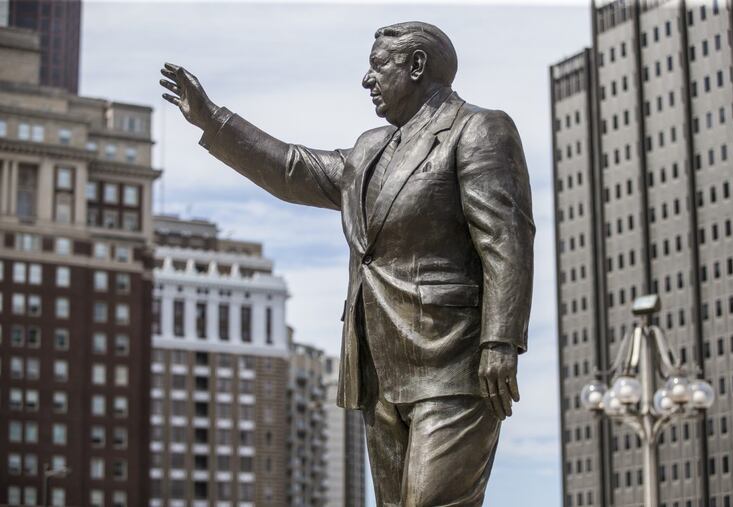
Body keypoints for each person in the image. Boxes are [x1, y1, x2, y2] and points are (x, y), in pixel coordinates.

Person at [160, 21, 534, 506]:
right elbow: (293, 170)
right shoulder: (370, 149)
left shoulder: (478, 129)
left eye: (379, 66)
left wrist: (500, 341)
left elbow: (506, 239)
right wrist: (214, 121)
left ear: (417, 66)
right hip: (377, 366)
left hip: (452, 363)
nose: (366, 79)